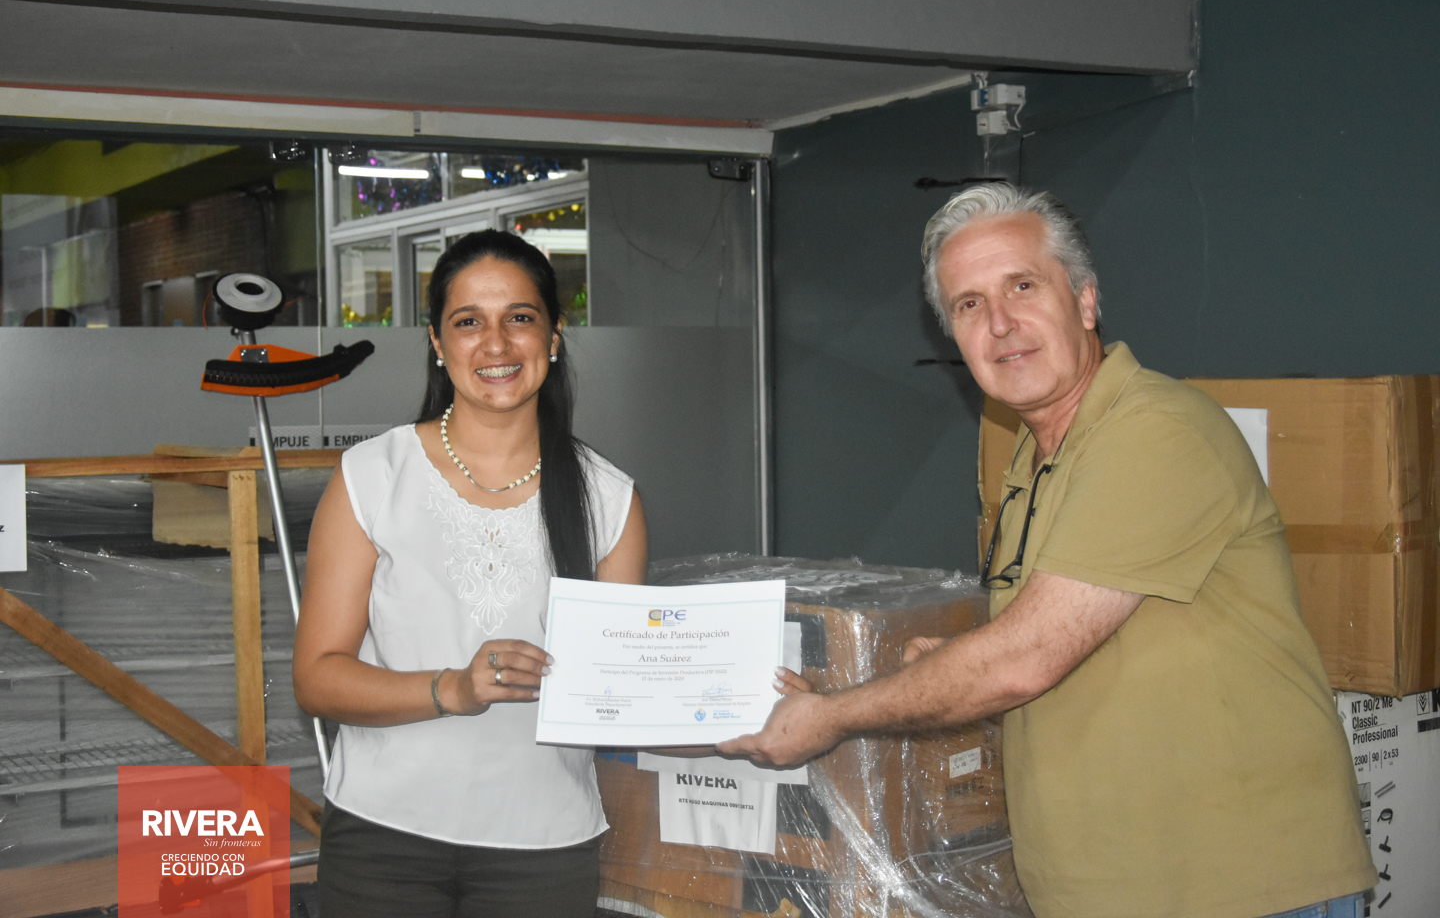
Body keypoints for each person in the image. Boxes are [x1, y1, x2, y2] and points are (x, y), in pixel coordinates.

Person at [719, 183, 1376, 918]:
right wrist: (956, 658)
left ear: (1086, 301)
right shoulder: (1034, 462)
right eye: (969, 305)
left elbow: (1025, 659)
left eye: (1023, 286)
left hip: (1236, 886)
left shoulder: (1154, 431)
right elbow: (1066, 628)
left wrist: (833, 716)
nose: (1000, 324)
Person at [293, 229, 649, 918]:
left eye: (520, 317)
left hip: (543, 845)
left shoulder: (609, 499)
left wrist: (741, 702)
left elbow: (625, 692)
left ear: (553, 336)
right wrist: (451, 689)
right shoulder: (373, 475)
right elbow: (317, 677)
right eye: (468, 322)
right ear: (436, 341)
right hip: (382, 836)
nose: (496, 344)